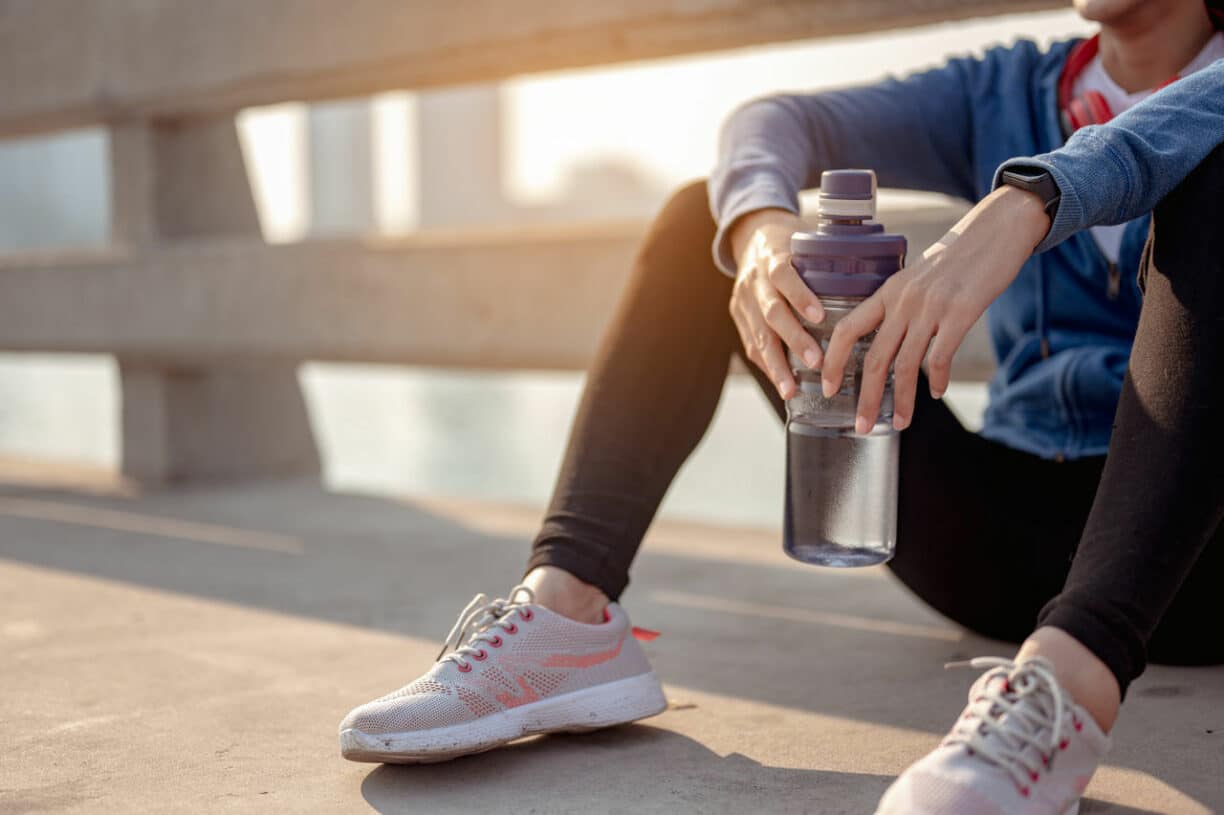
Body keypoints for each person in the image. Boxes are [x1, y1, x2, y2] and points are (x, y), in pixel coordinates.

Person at [339, 0, 1224, 810]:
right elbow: (773, 122)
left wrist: (1031, 197)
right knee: (708, 219)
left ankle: (1068, 690)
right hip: (995, 540)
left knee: (1217, 183)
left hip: (1199, 559)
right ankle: (569, 612)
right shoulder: (1007, 87)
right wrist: (760, 233)